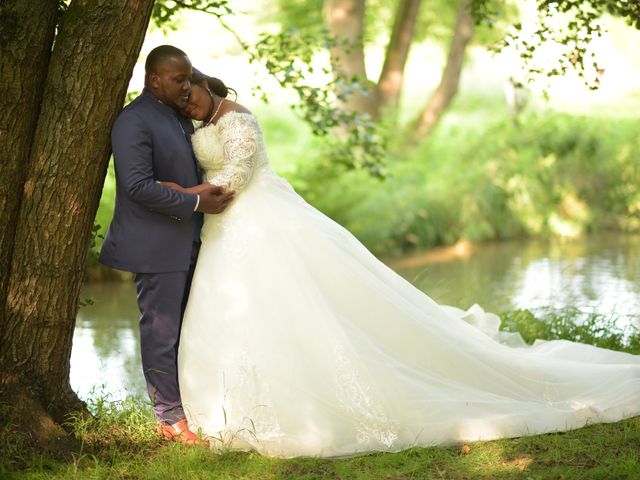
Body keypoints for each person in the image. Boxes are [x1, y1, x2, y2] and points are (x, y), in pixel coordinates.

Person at [168, 71, 639, 458]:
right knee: (238, 306)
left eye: (190, 95)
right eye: (181, 101)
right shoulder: (198, 122)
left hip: (259, 217)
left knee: (296, 302)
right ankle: (228, 406)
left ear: (204, 85)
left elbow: (237, 174)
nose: (188, 105)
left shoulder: (237, 119)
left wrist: (180, 197)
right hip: (224, 228)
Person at [99, 46, 234, 446]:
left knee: (194, 327)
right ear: (154, 80)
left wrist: (194, 80)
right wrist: (195, 201)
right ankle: (169, 419)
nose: (187, 87)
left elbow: (200, 85)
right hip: (157, 245)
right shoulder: (133, 122)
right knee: (162, 332)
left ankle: (196, 405)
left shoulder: (176, 112)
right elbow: (138, 187)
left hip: (195, 239)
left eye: (189, 78)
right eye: (179, 80)